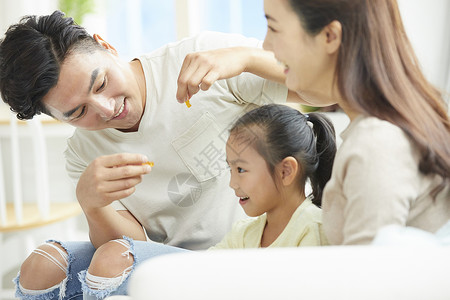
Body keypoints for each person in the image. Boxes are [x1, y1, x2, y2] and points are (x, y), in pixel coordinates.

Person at [0, 10, 304, 300]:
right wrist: (93, 206)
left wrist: (247, 58)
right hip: (177, 261)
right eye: (79, 112)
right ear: (59, 118)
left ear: (106, 46)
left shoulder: (200, 58)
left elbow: (327, 90)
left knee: (110, 260)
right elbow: (132, 245)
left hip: (256, 249)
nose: (107, 109)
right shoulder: (83, 154)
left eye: (102, 83)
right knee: (41, 266)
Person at [261, 0, 450, 245]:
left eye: (274, 28)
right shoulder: (386, 128)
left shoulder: (375, 143)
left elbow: (368, 279)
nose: (266, 45)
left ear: (329, 36)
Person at [210, 104, 335, 249]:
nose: (233, 183)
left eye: (241, 170)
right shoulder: (243, 234)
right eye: (230, 169)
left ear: (285, 171)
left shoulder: (313, 229)